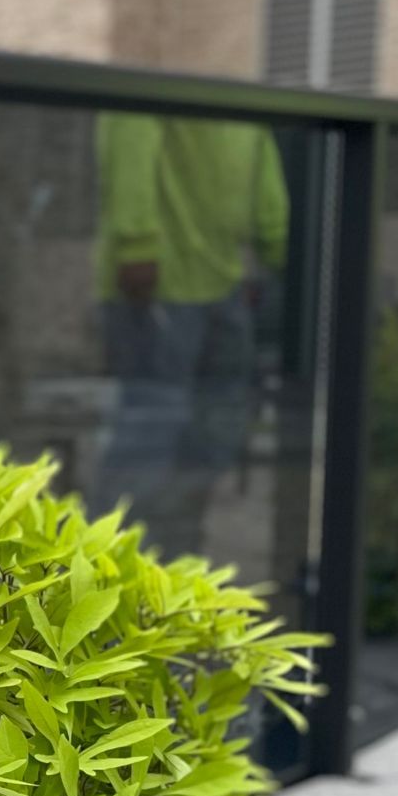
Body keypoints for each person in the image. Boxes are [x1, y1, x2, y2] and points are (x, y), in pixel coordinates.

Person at [93, 113, 288, 558]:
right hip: (156, 285)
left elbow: (262, 154)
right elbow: (130, 128)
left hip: (225, 284)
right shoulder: (163, 54)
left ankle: (176, 565)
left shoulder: (238, 77)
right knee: (147, 438)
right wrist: (136, 245)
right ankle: (102, 575)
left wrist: (282, 245)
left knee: (214, 436)